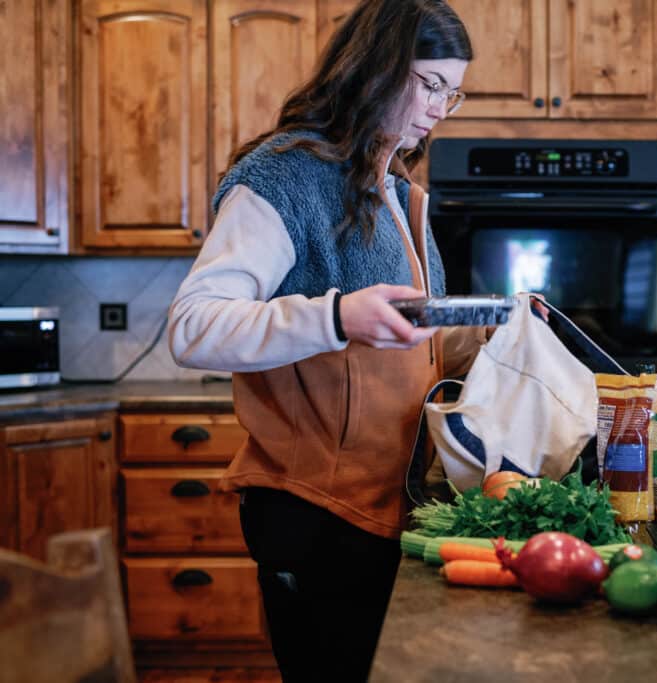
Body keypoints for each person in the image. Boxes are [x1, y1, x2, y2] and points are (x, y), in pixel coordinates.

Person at [167, 1, 475, 680]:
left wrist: (490, 334)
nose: (441, 108)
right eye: (429, 84)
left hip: (388, 510)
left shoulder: (399, 193)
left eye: (452, 93)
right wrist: (336, 316)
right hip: (313, 516)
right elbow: (193, 326)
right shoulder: (286, 177)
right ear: (376, 67)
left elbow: (415, 347)